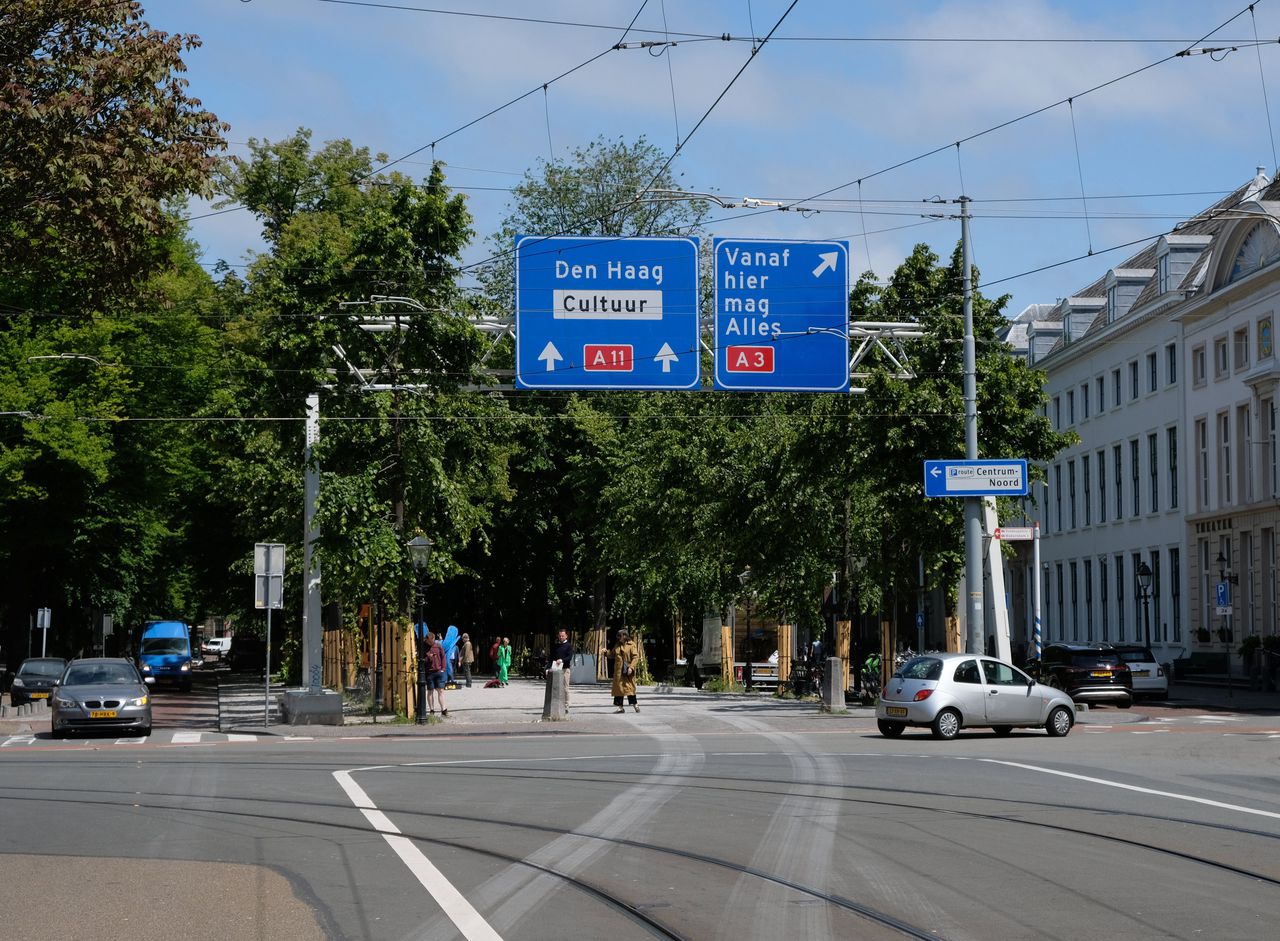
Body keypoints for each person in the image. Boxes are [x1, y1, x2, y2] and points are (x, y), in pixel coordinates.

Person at [611, 628, 641, 713]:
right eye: (618, 636)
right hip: (618, 671)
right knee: (619, 689)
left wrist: (631, 667)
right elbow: (612, 654)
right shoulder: (617, 645)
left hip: (627, 670)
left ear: (625, 636)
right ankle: (620, 707)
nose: (619, 637)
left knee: (629, 688)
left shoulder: (631, 645)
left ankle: (635, 705)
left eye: (620, 636)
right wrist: (606, 653)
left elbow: (635, 657)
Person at [547, 628, 574, 713]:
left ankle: (566, 706)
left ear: (566, 636)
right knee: (555, 688)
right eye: (560, 636)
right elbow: (551, 658)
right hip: (556, 669)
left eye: (563, 636)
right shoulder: (556, 646)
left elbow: (569, 657)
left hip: (565, 669)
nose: (561, 637)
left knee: (565, 688)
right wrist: (548, 668)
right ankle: (556, 705)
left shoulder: (569, 646)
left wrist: (561, 660)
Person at [424, 631, 448, 717]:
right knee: (430, 691)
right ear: (427, 640)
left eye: (432, 641)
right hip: (429, 672)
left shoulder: (438, 646)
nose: (431, 643)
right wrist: (428, 658)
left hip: (439, 671)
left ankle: (444, 710)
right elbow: (421, 660)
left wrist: (443, 668)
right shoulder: (424, 647)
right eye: (429, 641)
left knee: (440, 690)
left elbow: (443, 657)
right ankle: (431, 710)